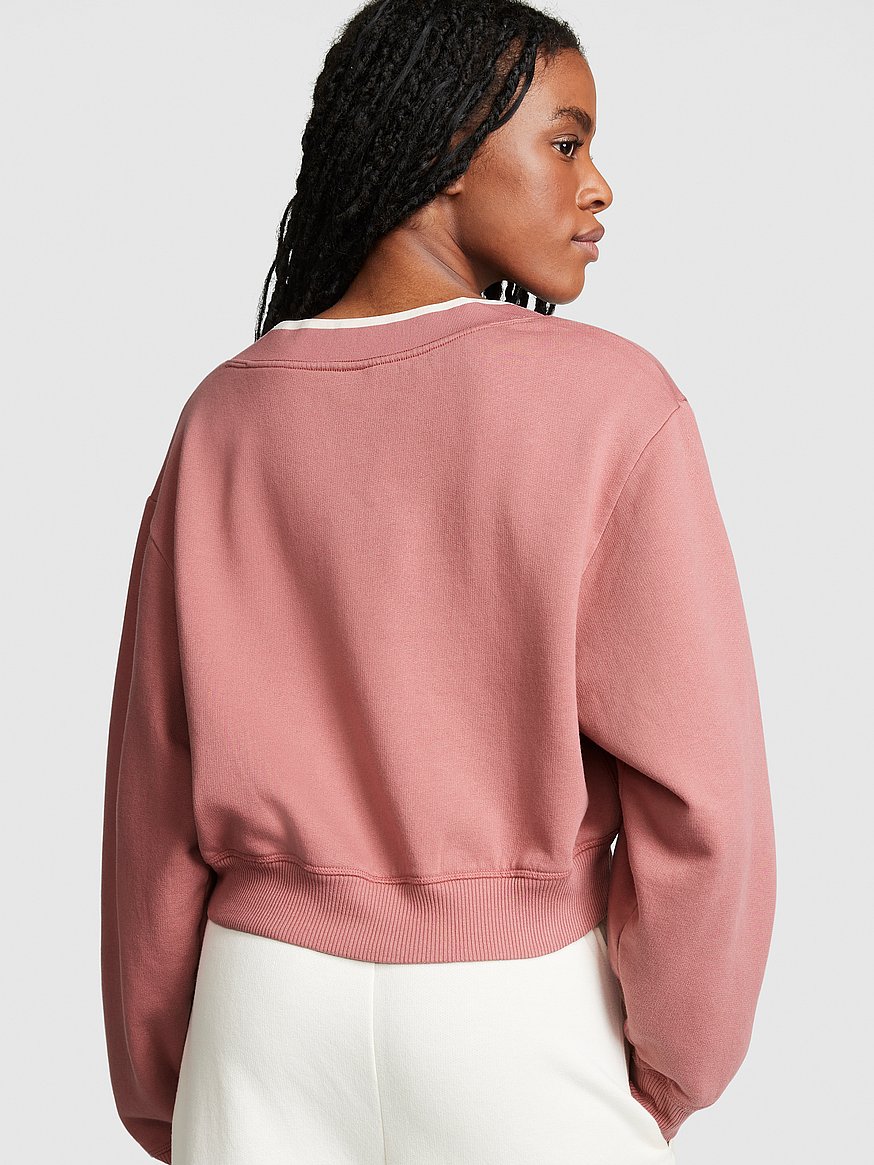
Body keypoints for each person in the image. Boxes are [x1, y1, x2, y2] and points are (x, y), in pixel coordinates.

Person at [99, 1, 778, 1162]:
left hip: (260, 1012)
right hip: (515, 1015)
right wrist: (674, 1062)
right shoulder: (612, 404)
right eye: (565, 142)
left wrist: (172, 1080)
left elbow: (153, 797)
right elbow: (702, 796)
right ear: (450, 145)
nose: (599, 187)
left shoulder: (223, 416)